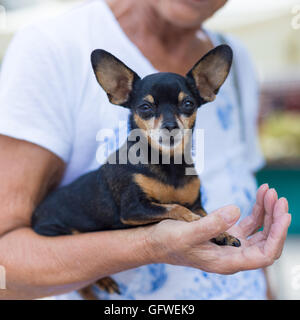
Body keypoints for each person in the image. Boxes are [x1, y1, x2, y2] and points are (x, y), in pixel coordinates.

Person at [0, 0, 291, 300]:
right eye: (148, 110)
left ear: (206, 89)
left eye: (186, 106)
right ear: (120, 92)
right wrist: (153, 243)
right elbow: (3, 271)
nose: (168, 123)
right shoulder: (51, 47)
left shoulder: (237, 56)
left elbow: (249, 249)